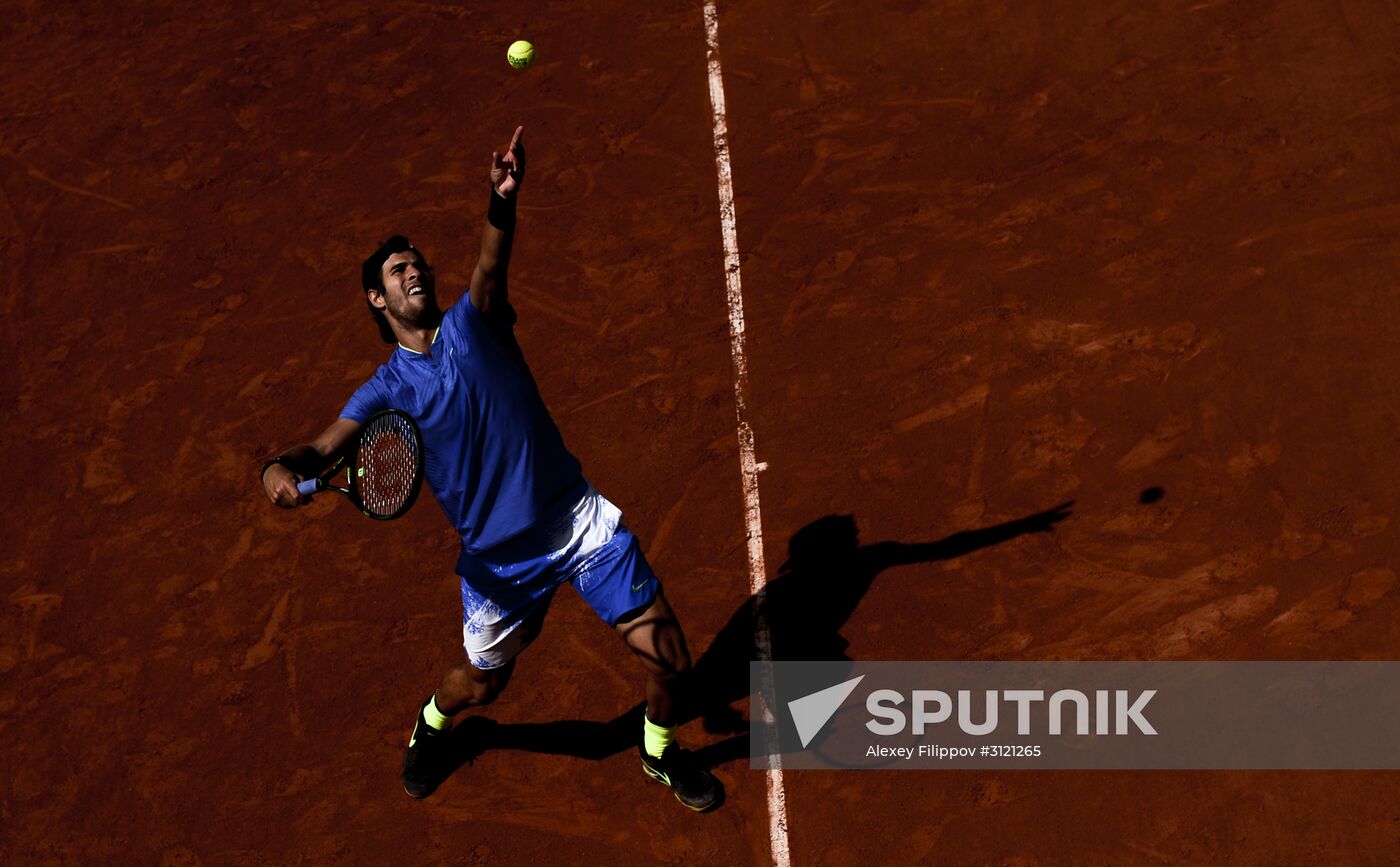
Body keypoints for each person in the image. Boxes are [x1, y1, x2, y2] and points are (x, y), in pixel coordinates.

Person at [259, 126, 721, 812]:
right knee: (482, 684)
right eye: (396, 270)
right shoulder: (385, 390)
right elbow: (320, 450)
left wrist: (501, 199)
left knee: (670, 655)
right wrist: (276, 469)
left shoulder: (477, 319)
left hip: (575, 519)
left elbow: (489, 263)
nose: (413, 271)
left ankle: (658, 749)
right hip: (499, 564)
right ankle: (434, 722)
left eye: (416, 263)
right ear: (377, 303)